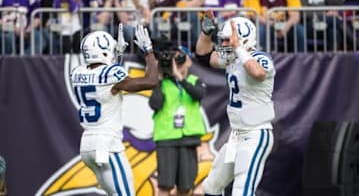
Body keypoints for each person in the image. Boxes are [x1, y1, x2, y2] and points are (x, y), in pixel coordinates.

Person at [70, 24, 158, 195]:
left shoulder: (77, 72)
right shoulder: (110, 74)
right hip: (107, 144)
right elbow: (151, 81)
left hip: (87, 145)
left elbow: (105, 83)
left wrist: (117, 57)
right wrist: (149, 51)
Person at [195, 10, 275, 196]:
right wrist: (206, 33)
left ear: (243, 39)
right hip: (237, 135)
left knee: (242, 191)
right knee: (210, 188)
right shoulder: (232, 58)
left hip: (256, 133)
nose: (223, 44)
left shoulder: (260, 58)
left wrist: (238, 48)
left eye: (227, 40)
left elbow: (258, 73)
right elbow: (204, 56)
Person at [149, 41, 207, 196]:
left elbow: (198, 95)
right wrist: (159, 79)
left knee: (185, 187)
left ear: (188, 61)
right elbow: (155, 104)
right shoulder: (162, 83)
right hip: (167, 139)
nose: (176, 63)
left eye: (180, 59)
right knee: (165, 185)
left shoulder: (195, 81)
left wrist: (180, 79)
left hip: (188, 139)